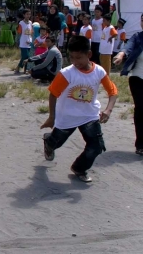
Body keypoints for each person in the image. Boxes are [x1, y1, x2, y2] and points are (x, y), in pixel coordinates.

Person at [41, 35, 117, 182]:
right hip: (67, 117)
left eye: (79, 58)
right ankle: (49, 141)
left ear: (89, 55)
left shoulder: (99, 72)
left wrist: (108, 110)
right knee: (57, 143)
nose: (75, 62)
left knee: (96, 146)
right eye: (72, 58)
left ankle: (79, 168)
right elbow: (53, 94)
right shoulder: (66, 73)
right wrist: (52, 117)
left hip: (90, 116)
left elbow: (112, 92)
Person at [113, 14, 143, 155]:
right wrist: (121, 55)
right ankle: (141, 144)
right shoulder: (138, 37)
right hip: (138, 78)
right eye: (142, 20)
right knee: (141, 109)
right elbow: (128, 47)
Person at [15, 9, 33, 74]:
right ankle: (19, 67)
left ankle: (26, 69)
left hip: (29, 42)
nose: (28, 16)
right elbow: (19, 33)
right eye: (27, 14)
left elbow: (31, 32)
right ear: (24, 15)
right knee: (25, 56)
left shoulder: (30, 22)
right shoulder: (21, 23)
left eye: (29, 14)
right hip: (23, 42)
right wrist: (17, 41)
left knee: (28, 57)